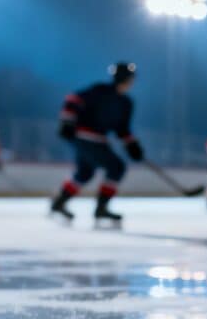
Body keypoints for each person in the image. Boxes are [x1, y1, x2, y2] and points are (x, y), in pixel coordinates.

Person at [49, 62, 145, 227]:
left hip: (94, 139)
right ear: (126, 79)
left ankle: (59, 202)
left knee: (85, 172)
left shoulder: (126, 103)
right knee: (116, 167)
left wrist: (132, 145)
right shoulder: (100, 91)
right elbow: (73, 99)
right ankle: (101, 208)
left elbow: (122, 129)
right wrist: (66, 121)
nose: (132, 82)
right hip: (85, 136)